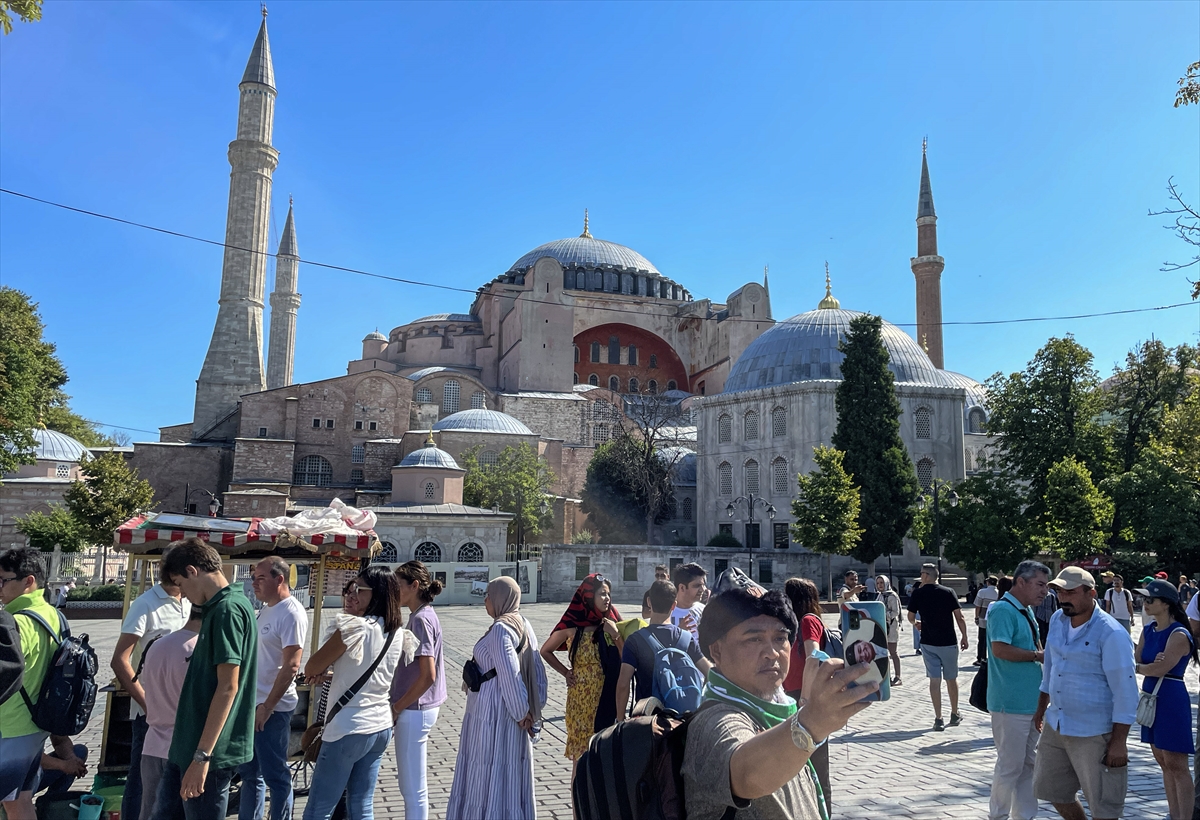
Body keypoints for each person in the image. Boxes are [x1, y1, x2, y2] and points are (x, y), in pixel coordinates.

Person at [682, 587, 877, 819]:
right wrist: (812, 723)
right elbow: (747, 776)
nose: (772, 653)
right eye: (753, 639)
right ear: (717, 651)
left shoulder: (782, 708)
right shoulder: (713, 720)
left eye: (780, 638)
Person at [302, 566, 414, 820]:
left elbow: (311, 667)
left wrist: (322, 671)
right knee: (362, 806)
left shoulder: (354, 628)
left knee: (319, 807)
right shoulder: (396, 632)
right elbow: (363, 670)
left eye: (359, 589)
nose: (352, 594)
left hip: (347, 727)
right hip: (380, 725)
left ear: (377, 594)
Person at [158, 538, 258, 820]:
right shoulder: (221, 607)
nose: (183, 594)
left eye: (181, 584)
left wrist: (202, 756)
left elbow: (228, 686)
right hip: (189, 746)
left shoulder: (227, 609)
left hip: (207, 752)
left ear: (193, 571)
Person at [1032, 567, 1139, 820]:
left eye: (1070, 592)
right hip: (1057, 723)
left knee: (1103, 806)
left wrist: (1119, 742)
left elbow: (1126, 690)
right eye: (1059, 591)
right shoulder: (1058, 619)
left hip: (1094, 731)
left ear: (1091, 593)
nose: (1062, 597)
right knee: (1052, 791)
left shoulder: (1111, 632)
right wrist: (1040, 708)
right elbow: (1050, 666)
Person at [445, 578, 547, 820]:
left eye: (489, 595)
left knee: (489, 771)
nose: (485, 600)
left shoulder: (502, 628)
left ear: (501, 598)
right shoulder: (523, 623)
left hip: (494, 716)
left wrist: (523, 712)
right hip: (507, 714)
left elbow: (511, 676)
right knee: (506, 774)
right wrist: (534, 708)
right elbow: (538, 673)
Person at [109, 562, 191, 820]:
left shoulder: (189, 602)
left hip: (183, 711)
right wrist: (147, 704)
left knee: (172, 778)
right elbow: (119, 660)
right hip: (152, 714)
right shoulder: (145, 604)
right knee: (142, 780)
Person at [239, 558, 306, 820]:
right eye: (253, 577)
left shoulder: (291, 612)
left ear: (280, 579)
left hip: (272, 709)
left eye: (260, 578)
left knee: (275, 775)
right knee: (249, 773)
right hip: (253, 704)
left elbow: (291, 665)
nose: (254, 583)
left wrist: (267, 706)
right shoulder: (267, 609)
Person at [539, 574, 623, 778]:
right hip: (581, 702)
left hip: (607, 696)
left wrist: (616, 635)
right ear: (588, 596)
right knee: (581, 758)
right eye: (602, 594)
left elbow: (627, 657)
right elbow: (545, 651)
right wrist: (565, 672)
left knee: (603, 755)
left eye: (609, 594)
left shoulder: (612, 622)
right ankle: (579, 807)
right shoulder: (572, 626)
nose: (607, 599)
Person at [0, 548, 62, 817]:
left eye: (4, 580)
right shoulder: (52, 613)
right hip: (36, 720)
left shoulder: (17, 622)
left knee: (13, 802)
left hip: (10, 723)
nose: (0, 587)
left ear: (29, 581)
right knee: (21, 799)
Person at [986, 560, 1050, 820]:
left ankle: (1024, 815)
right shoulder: (1004, 609)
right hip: (1009, 701)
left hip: (1029, 701)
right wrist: (1037, 656)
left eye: (1046, 586)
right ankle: (998, 816)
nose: (1044, 591)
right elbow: (1000, 649)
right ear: (1020, 582)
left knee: (1028, 765)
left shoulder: (1025, 610)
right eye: (1040, 585)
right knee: (1010, 766)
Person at [1133, 579, 1196, 820]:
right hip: (1151, 696)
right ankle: (1173, 814)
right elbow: (1139, 660)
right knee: (1162, 761)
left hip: (1170, 699)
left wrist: (1144, 667)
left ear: (1166, 604)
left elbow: (1158, 668)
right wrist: (1145, 666)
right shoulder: (1149, 629)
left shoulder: (1179, 633)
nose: (1145, 603)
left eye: (1150, 600)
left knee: (1177, 764)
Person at [389, 561, 446, 820]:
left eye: (398, 586)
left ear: (414, 586)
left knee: (412, 789)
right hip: (418, 707)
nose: (394, 592)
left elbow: (428, 675)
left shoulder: (421, 619)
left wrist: (398, 706)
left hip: (415, 708)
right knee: (411, 786)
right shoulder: (422, 615)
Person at [614, 580, 709, 718]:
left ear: (649, 602)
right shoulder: (686, 638)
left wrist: (620, 719)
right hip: (682, 720)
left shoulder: (635, 640)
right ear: (673, 605)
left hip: (649, 720)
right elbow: (709, 672)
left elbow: (623, 684)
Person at [143, 606, 203, 820]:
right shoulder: (200, 649)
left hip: (152, 743)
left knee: (150, 810)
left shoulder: (157, 645)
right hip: (184, 747)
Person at [781, 577, 832, 815]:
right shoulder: (793, 623)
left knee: (817, 765)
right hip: (792, 694)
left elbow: (814, 657)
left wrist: (805, 696)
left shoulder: (808, 620)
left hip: (805, 697)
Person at [906, 562, 969, 731]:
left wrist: (916, 623)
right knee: (951, 679)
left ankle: (938, 718)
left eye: (921, 573)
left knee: (934, 680)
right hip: (948, 641)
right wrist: (964, 636)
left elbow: (910, 616)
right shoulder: (948, 592)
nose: (920, 576)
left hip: (928, 642)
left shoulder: (918, 593)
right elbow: (959, 616)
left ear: (926, 575)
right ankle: (955, 713)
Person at [875, 575, 903, 686]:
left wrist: (884, 614)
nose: (880, 585)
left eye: (882, 583)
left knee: (893, 652)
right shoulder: (880, 595)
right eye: (878, 583)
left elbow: (896, 612)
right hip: (882, 626)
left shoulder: (892, 596)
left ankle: (898, 677)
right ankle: (886, 675)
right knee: (883, 652)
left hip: (891, 627)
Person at [670, 563, 707, 641]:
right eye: (697, 586)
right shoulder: (666, 613)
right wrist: (679, 634)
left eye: (703, 585)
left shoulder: (705, 610)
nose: (703, 589)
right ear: (682, 588)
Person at [973, 576, 1000, 666]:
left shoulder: (982, 592)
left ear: (988, 582)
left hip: (983, 619)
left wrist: (976, 617)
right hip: (995, 620)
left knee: (982, 639)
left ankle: (981, 658)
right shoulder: (999, 593)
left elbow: (978, 606)